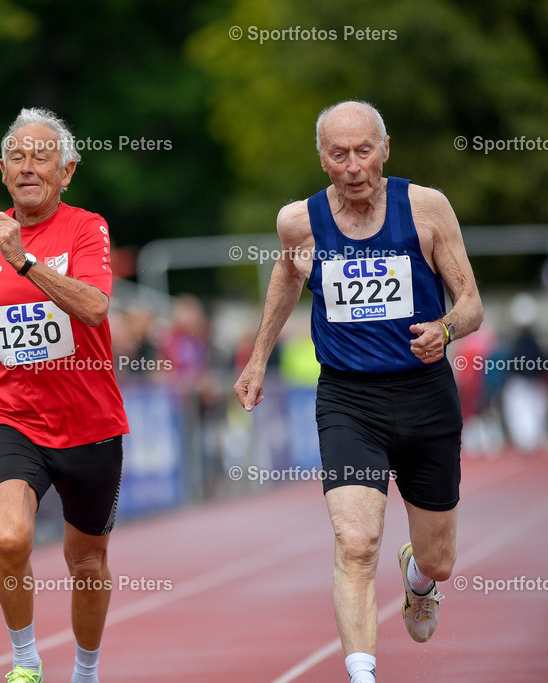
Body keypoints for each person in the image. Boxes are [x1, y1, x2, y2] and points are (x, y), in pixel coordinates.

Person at [234, 101, 483, 683]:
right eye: (339, 154)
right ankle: (362, 673)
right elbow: (288, 276)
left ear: (385, 149)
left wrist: (444, 329)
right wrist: (257, 359)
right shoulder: (300, 221)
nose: (353, 166)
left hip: (425, 395)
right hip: (349, 400)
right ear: (322, 159)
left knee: (440, 561)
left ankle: (418, 580)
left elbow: (471, 303)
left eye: (363, 151)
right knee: (355, 540)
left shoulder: (426, 209)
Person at [0, 107, 129, 683]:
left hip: (92, 423)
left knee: (87, 559)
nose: (28, 165)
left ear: (66, 171)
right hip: (13, 417)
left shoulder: (86, 227)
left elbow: (94, 306)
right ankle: (24, 661)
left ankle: (86, 671)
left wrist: (24, 259)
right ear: (1, 171)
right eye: (17, 156)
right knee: (10, 536)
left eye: (41, 155)